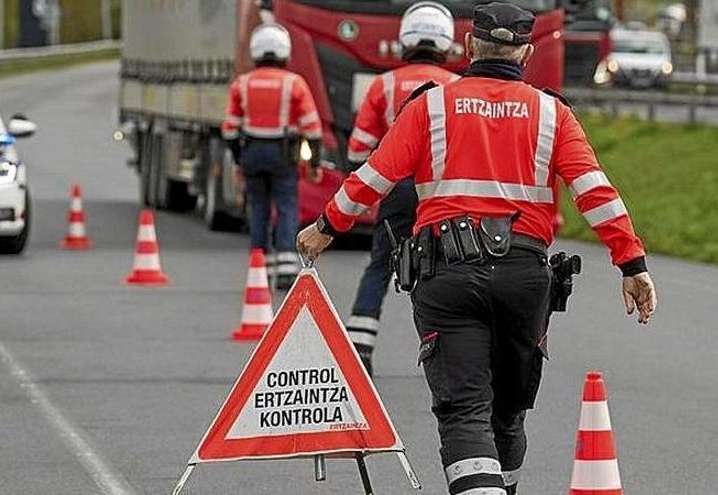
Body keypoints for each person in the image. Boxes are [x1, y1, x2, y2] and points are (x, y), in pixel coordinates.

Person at [297, 4, 658, 494]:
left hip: (447, 276)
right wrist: (631, 264)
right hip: (524, 279)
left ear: (468, 47)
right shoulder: (554, 113)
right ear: (527, 53)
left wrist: (325, 226)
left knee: (464, 409)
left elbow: (372, 178)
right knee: (508, 412)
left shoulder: (431, 106)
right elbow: (596, 193)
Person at [344, 1, 459, 376]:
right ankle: (449, 353)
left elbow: (358, 149)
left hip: (396, 189)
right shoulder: (457, 87)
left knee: (381, 264)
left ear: (404, 39)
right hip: (442, 193)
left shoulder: (384, 84)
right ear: (447, 42)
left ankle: (359, 347)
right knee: (446, 268)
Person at [221, 22, 322, 290]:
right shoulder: (294, 83)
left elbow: (229, 129)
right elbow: (312, 127)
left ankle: (259, 265)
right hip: (282, 153)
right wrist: (315, 163)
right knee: (287, 204)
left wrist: (238, 159)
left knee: (258, 207)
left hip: (252, 152)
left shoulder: (241, 84)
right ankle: (287, 267)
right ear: (285, 53)